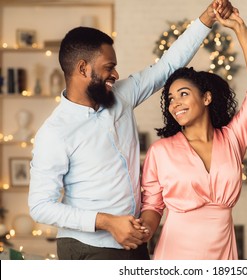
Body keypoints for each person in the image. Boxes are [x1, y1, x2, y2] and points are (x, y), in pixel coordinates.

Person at [28, 0, 236, 260]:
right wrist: (106, 222)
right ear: (83, 68)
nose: (115, 74)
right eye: (108, 67)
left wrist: (207, 18)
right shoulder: (55, 133)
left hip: (134, 242)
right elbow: (40, 207)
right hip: (88, 248)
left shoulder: (122, 96)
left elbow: (167, 67)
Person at [140, 9, 247, 259]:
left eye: (183, 94)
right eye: (170, 98)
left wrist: (239, 28)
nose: (175, 103)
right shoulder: (161, 151)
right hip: (174, 257)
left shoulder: (233, 138)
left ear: (207, 98)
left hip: (223, 257)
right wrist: (143, 229)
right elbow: (152, 207)